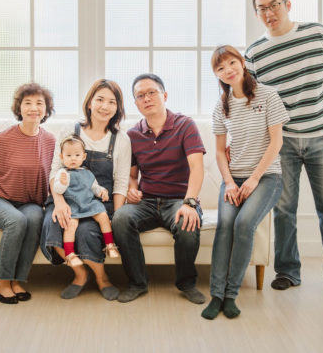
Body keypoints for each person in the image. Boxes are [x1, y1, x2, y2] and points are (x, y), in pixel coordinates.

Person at [245, 0, 323, 297]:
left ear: (287, 5)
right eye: (262, 9)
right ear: (256, 14)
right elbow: (254, 103)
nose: (269, 13)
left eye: (274, 5)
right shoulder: (254, 53)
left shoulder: (317, 34)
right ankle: (287, 272)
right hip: (282, 143)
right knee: (284, 209)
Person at [201, 45, 289, 320]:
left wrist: (254, 178)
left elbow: (276, 142)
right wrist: (229, 182)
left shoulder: (268, 95)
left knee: (243, 224)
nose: (228, 70)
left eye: (231, 63)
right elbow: (219, 151)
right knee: (225, 225)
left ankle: (231, 295)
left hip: (266, 177)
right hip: (234, 179)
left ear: (242, 62)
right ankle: (216, 295)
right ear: (217, 74)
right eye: (220, 68)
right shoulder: (221, 105)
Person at [112, 73, 206, 304]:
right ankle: (137, 282)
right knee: (120, 218)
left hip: (179, 200)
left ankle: (186, 283)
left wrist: (189, 203)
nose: (146, 98)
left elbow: (197, 168)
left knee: (187, 223)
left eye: (151, 92)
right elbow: (132, 176)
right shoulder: (133, 135)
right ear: (135, 103)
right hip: (146, 201)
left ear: (164, 96)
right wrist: (132, 189)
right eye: (140, 96)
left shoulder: (185, 125)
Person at [41, 79, 131, 301]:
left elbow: (120, 182)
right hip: (65, 198)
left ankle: (102, 278)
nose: (105, 106)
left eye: (112, 102)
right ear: (90, 102)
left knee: (85, 232)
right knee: (53, 225)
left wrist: (117, 216)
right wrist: (59, 202)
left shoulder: (121, 139)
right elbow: (54, 170)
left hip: (97, 202)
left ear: (118, 107)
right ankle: (80, 275)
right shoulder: (69, 130)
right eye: (100, 99)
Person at [0, 83, 56, 304]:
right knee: (16, 221)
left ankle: (18, 280)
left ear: (46, 109)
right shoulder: (1, 139)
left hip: (30, 203)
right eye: (27, 103)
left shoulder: (50, 141)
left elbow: (55, 176)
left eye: (39, 103)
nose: (33, 108)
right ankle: (4, 281)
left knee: (34, 218)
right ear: (19, 108)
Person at [52, 134, 120, 267]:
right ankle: (70, 254)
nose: (73, 158)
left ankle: (110, 245)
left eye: (77, 155)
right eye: (68, 155)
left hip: (89, 203)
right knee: (70, 225)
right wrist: (62, 183)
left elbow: (94, 187)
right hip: (73, 204)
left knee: (103, 216)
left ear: (84, 157)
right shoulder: (62, 173)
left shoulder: (87, 172)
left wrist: (101, 191)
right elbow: (58, 190)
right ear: (61, 157)